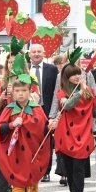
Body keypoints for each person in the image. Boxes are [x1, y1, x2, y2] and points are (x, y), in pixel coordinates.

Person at [0, 55, 50, 192]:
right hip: (15, 152)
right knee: (17, 182)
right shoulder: (9, 109)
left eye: (23, 91)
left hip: (33, 152)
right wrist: (12, 124)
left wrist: (51, 126)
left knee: (32, 183)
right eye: (17, 91)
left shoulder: (37, 109)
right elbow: (0, 129)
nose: (20, 94)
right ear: (13, 93)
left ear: (29, 92)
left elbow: (44, 128)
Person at [51, 61, 96, 192]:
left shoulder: (87, 90)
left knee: (78, 167)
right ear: (66, 77)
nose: (77, 76)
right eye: (73, 75)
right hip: (66, 134)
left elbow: (95, 109)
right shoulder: (62, 92)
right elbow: (68, 105)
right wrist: (80, 92)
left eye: (78, 73)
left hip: (83, 133)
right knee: (69, 167)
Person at [29, 43, 58, 182]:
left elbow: (55, 91)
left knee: (47, 142)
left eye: (39, 51)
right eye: (33, 51)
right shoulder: (24, 69)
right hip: (29, 110)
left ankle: (46, 171)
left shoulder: (52, 69)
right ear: (29, 54)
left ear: (44, 53)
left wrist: (54, 113)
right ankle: (31, 168)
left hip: (46, 110)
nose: (36, 54)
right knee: (30, 140)